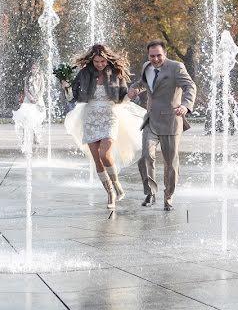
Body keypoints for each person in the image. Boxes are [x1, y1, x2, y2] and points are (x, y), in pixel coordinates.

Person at [63, 44, 145, 216]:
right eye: (96, 61)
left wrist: (130, 96)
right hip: (90, 116)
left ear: (107, 59)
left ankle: (116, 183)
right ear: (92, 60)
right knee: (96, 159)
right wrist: (65, 86)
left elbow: (122, 98)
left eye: (102, 61)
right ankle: (110, 194)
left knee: (104, 154)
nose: (100, 64)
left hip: (110, 115)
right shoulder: (85, 73)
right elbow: (73, 97)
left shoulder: (115, 73)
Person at [127, 40, 197, 212]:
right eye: (152, 56)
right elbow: (143, 83)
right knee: (145, 157)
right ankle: (150, 192)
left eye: (159, 55)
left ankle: (169, 197)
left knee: (170, 163)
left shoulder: (176, 67)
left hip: (171, 121)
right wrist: (134, 89)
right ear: (148, 55)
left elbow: (190, 86)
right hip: (151, 119)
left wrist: (185, 106)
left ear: (164, 54)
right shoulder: (146, 66)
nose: (156, 59)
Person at [12, 63, 46, 148]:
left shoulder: (41, 77)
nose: (33, 69)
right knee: (26, 118)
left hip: (38, 99)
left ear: (38, 69)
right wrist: (30, 98)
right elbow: (26, 89)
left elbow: (42, 88)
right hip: (28, 99)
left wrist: (37, 97)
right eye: (32, 68)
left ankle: (36, 137)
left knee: (37, 119)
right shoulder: (27, 77)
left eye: (35, 68)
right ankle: (24, 138)